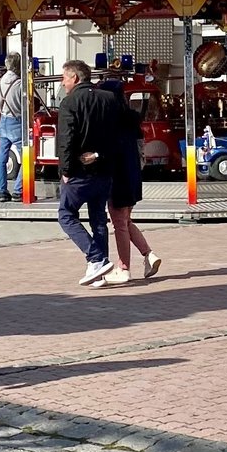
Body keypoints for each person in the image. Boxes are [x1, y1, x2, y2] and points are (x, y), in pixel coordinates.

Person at [54, 60, 121, 287]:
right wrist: (100, 154)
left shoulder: (69, 103)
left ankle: (96, 258)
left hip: (79, 172)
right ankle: (99, 272)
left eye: (64, 77)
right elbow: (117, 136)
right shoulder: (109, 99)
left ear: (75, 77)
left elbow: (66, 139)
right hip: (103, 170)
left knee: (66, 214)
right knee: (98, 218)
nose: (62, 82)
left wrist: (65, 170)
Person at [101, 78, 159, 286]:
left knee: (119, 224)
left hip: (118, 176)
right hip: (133, 174)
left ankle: (123, 268)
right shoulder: (132, 119)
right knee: (125, 221)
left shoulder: (108, 121)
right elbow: (140, 148)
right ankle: (149, 255)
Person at [0, 54, 27, 203]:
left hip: (3, 120)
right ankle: (18, 191)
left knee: (2, 159)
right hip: (16, 121)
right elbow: (25, 105)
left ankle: (2, 191)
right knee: (26, 158)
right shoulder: (20, 83)